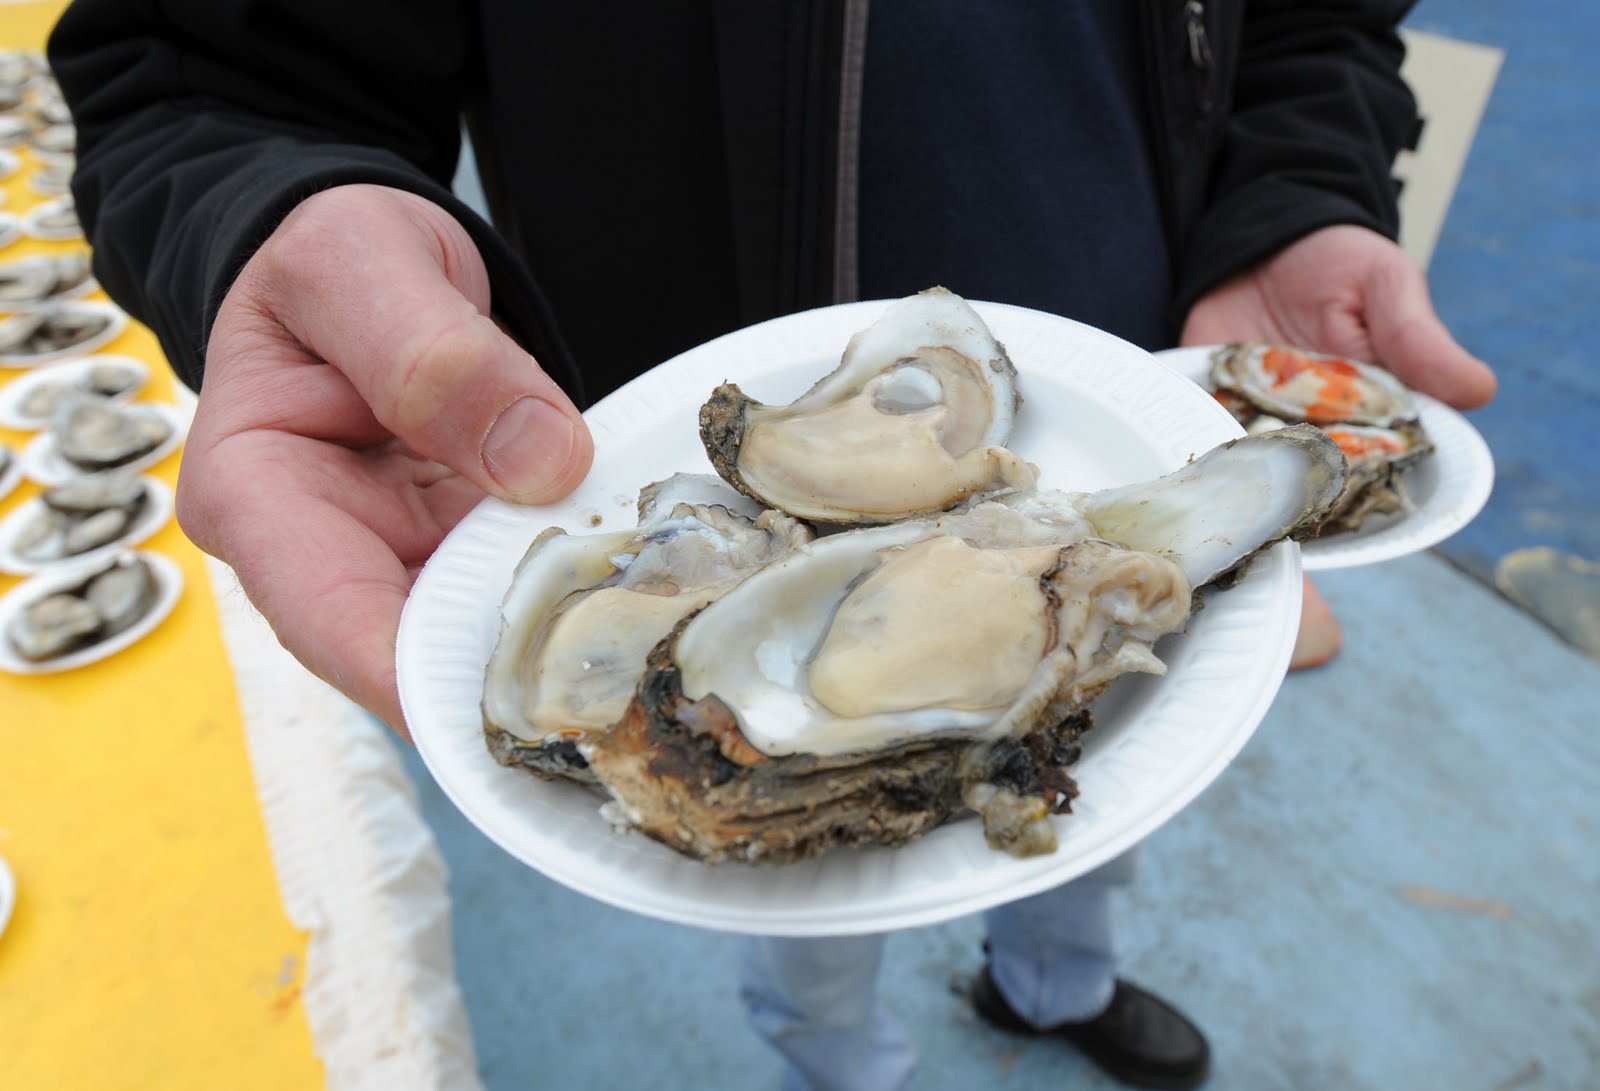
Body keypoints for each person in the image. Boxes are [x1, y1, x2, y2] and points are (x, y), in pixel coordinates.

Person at [49, 3, 1496, 1089]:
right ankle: (841, 1069)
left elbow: (1315, 21)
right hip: (632, 402)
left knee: (1097, 805)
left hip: (1119, 375)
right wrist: (264, 212)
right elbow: (207, 68)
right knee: (801, 908)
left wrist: (1296, 186)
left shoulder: (1062, 513)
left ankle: (1050, 990)